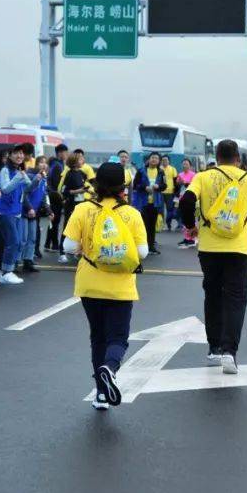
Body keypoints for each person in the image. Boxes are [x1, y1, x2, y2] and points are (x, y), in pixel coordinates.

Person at [62, 162, 148, 410]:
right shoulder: (132, 214)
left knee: (97, 336)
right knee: (118, 337)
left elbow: (68, 246)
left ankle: (100, 395)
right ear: (123, 188)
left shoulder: (83, 209)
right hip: (120, 285)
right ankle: (109, 368)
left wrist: (83, 248)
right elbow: (141, 251)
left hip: (90, 283)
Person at [177, 140, 247, 374]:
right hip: (238, 249)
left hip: (209, 248)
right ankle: (230, 352)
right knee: (236, 300)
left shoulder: (204, 176)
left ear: (217, 157)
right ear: (237, 157)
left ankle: (214, 348)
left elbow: (186, 201)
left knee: (213, 296)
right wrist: (243, 222)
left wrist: (191, 226)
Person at [0, 144, 31, 285]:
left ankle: (4, 269)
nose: (20, 156)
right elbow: (5, 189)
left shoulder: (19, 171)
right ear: (9, 155)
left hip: (16, 212)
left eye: (22, 154)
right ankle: (6, 272)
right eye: (16, 153)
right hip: (4, 211)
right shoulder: (5, 170)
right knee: (13, 242)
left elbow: (28, 188)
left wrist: (38, 179)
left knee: (15, 242)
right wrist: (18, 178)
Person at [21, 155, 52, 274]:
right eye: (41, 162)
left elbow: (43, 196)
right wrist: (29, 208)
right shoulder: (30, 176)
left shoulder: (44, 178)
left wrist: (49, 210)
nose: (44, 165)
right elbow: (24, 193)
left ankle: (28, 261)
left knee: (32, 238)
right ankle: (16, 262)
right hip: (25, 212)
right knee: (23, 238)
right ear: (36, 164)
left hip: (35, 213)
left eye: (46, 163)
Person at [131, 152, 165, 255]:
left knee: (152, 225)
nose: (154, 159)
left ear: (159, 161)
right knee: (143, 225)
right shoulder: (141, 171)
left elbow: (164, 186)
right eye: (152, 158)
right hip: (143, 203)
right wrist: (144, 188)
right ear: (149, 159)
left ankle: (151, 246)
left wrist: (158, 187)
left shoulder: (161, 172)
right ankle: (142, 246)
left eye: (156, 158)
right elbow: (135, 185)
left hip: (155, 203)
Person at [58, 152, 90, 263]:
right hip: (71, 204)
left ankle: (77, 252)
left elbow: (85, 186)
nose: (83, 161)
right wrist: (79, 191)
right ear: (74, 162)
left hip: (80, 204)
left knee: (81, 228)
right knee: (67, 227)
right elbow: (66, 191)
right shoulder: (69, 174)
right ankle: (62, 252)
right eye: (81, 159)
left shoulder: (82, 173)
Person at [45, 143, 69, 253]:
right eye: (65, 152)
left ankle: (48, 244)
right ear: (60, 153)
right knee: (55, 221)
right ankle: (53, 244)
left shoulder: (56, 164)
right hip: (55, 197)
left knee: (54, 221)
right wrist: (62, 197)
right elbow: (57, 184)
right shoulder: (57, 166)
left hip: (53, 196)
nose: (66, 154)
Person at [175, 158, 198, 248]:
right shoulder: (180, 174)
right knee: (184, 220)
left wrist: (185, 183)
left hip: (190, 199)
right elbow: (177, 187)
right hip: (181, 199)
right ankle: (186, 238)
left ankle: (192, 239)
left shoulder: (194, 175)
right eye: (183, 164)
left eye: (186, 164)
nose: (184, 165)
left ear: (190, 165)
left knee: (191, 219)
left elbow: (194, 186)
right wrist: (178, 183)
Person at [160, 155, 178, 232]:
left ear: (169, 161)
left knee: (169, 209)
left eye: (166, 160)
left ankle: (168, 224)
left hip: (170, 192)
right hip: (160, 192)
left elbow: (175, 181)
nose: (164, 161)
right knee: (160, 209)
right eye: (163, 160)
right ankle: (160, 225)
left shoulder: (173, 169)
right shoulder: (159, 169)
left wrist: (176, 191)